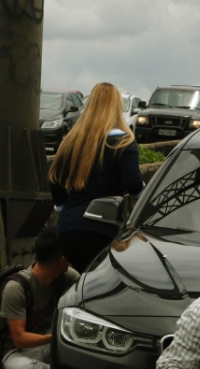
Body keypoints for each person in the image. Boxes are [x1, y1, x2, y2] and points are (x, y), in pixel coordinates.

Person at [48, 82, 145, 272]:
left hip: (68, 229)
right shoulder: (123, 141)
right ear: (117, 107)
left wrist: (64, 208)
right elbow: (133, 185)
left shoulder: (73, 139)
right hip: (100, 230)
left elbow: (55, 180)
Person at [0, 227, 79, 369]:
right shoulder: (17, 287)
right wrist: (55, 338)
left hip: (48, 344)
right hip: (18, 351)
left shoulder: (68, 278)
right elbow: (19, 338)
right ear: (62, 260)